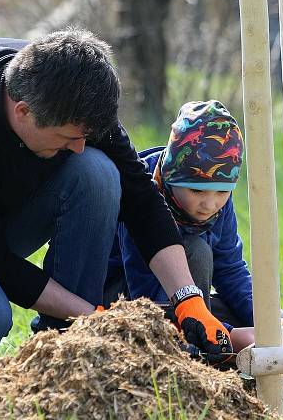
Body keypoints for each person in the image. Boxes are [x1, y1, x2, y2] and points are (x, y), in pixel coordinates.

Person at [0, 29, 231, 385]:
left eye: (85, 135)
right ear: (23, 111)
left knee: (97, 170)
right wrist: (96, 320)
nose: (78, 145)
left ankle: (64, 350)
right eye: (68, 137)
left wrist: (189, 299)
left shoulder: (72, 89)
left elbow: (140, 195)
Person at [105, 100, 256, 349]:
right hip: (124, 300)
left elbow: (230, 270)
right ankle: (198, 347)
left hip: (190, 305)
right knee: (195, 251)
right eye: (196, 190)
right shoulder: (142, 196)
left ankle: (206, 338)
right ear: (172, 175)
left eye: (222, 192)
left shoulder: (219, 205)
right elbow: (144, 294)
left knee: (243, 315)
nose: (209, 204)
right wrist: (230, 337)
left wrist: (269, 321)